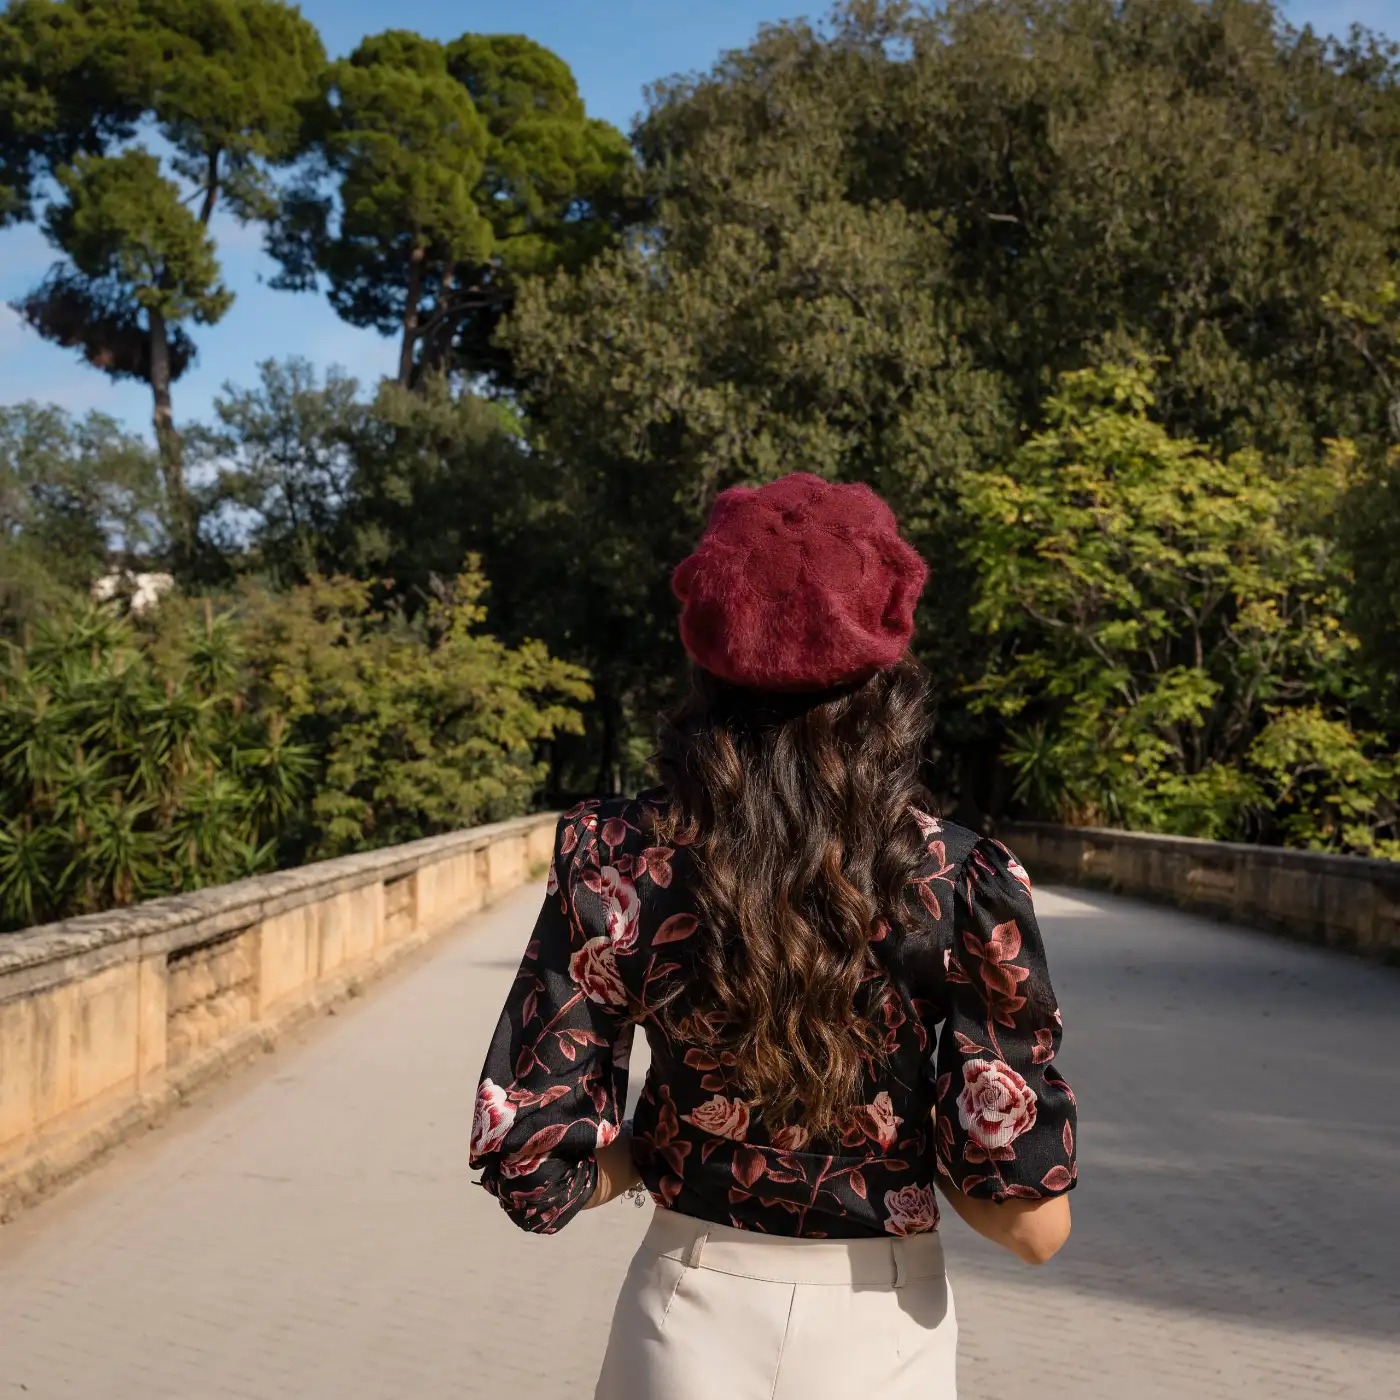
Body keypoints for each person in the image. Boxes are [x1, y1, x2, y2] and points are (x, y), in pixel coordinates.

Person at [470, 471, 1077, 1399]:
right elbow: (1034, 1229)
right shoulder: (960, 883)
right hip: (884, 1333)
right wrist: (905, 1137)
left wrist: (661, 1139)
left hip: (683, 1317)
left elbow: (533, 1166)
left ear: (708, 652)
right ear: (885, 667)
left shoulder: (617, 858)